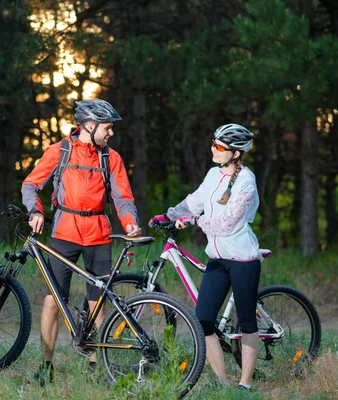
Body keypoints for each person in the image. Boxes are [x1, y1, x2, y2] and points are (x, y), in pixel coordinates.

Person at [22, 99, 141, 385]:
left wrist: (130, 223)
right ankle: (45, 365)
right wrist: (35, 210)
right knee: (52, 301)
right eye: (108, 128)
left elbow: (123, 198)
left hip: (99, 234)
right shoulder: (59, 151)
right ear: (90, 125)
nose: (110, 133)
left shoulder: (111, 158)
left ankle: (96, 365)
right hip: (64, 234)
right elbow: (30, 184)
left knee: (97, 302)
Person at [150, 123, 261, 391]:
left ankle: (244, 385)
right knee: (203, 320)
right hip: (217, 259)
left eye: (220, 147)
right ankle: (222, 383)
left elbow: (227, 223)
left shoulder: (246, 180)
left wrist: (194, 221)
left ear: (235, 153)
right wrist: (170, 215)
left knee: (246, 320)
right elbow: (194, 201)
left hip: (243, 259)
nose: (214, 149)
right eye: (213, 143)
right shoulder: (213, 174)